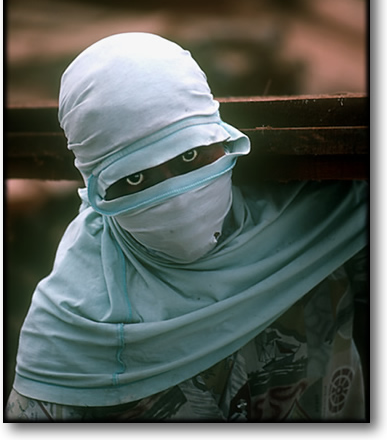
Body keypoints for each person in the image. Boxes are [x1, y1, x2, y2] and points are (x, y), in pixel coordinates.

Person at [5, 33, 368, 422]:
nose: (176, 197)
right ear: (95, 187)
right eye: (134, 179)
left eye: (190, 155)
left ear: (223, 138)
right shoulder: (71, 327)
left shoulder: (325, 216)